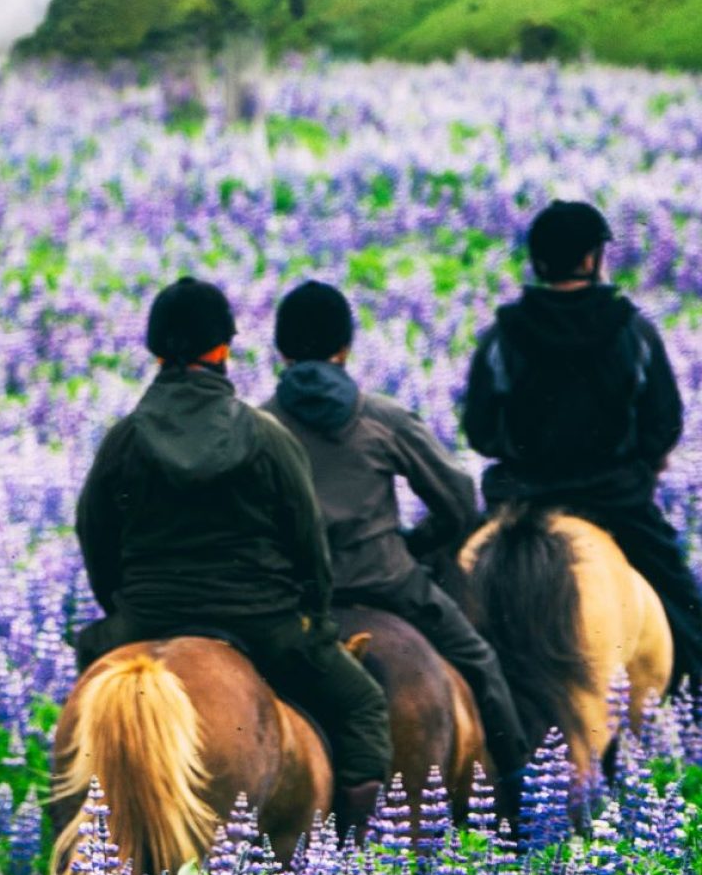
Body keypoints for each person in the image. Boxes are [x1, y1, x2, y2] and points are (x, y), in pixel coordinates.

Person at [75, 278, 393, 829]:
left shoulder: (124, 440)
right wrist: (314, 615)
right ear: (222, 349)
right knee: (362, 706)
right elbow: (307, 541)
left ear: (155, 353)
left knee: (86, 700)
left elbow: (93, 534)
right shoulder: (264, 436)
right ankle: (348, 864)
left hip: (147, 615)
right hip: (260, 621)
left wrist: (121, 608)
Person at [262, 280, 529, 778]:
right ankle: (520, 806)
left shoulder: (259, 424)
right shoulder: (383, 417)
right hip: (385, 582)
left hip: (292, 598)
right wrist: (413, 544)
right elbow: (456, 499)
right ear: (345, 347)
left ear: (281, 350)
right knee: (480, 664)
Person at [463, 198, 701, 684]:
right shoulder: (631, 330)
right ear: (592, 259)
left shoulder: (503, 335)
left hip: (520, 504)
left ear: (537, 260)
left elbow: (482, 431)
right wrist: (637, 462)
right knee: (686, 614)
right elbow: (664, 423)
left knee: (445, 600)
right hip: (615, 502)